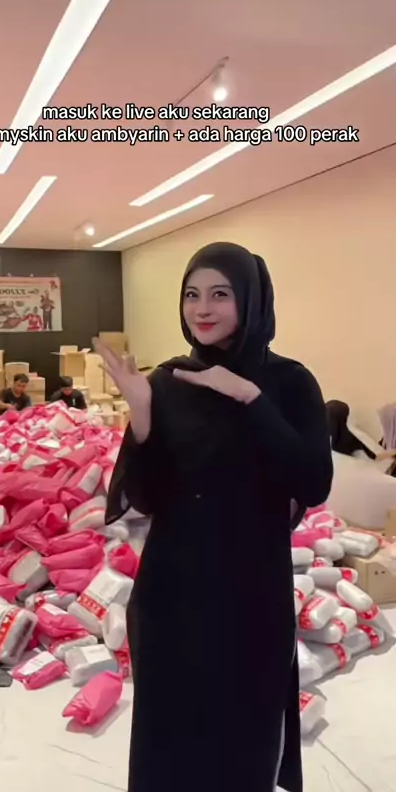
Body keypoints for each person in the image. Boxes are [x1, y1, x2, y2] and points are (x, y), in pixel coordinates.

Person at [95, 242, 333, 792]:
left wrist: (249, 397)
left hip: (250, 592)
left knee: (244, 735)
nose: (202, 308)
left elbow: (312, 483)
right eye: (192, 295)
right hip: (172, 592)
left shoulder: (289, 382)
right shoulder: (168, 381)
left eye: (220, 294)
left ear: (250, 299)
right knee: (169, 742)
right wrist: (141, 411)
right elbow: (147, 498)